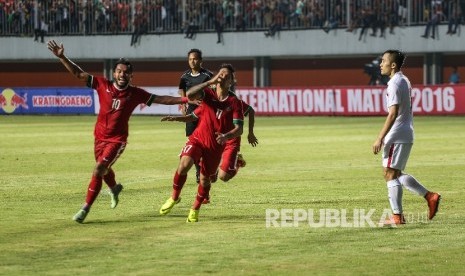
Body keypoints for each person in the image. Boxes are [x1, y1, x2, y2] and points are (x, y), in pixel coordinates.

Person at [47, 40, 196, 223]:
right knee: (103, 168)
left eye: (125, 72)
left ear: (131, 76)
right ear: (114, 73)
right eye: (119, 71)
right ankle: (115, 188)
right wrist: (62, 57)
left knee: (99, 168)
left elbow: (161, 99)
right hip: (99, 138)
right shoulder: (102, 85)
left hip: (117, 140)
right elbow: (78, 73)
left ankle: (85, 208)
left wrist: (184, 100)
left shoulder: (135, 93)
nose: (122, 74)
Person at [159, 64, 244, 222]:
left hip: (215, 146)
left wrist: (226, 136)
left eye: (227, 76)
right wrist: (208, 82)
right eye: (221, 74)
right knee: (184, 164)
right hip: (198, 138)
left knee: (205, 180)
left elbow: (239, 129)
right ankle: (174, 198)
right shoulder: (208, 93)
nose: (223, 76)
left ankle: (195, 208)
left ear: (231, 81)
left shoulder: (234, 102)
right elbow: (190, 96)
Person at [372, 49, 441, 226]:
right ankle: (430, 196)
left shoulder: (394, 84)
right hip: (405, 132)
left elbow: (393, 113)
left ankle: (397, 217)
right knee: (395, 173)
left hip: (396, 134)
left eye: (384, 61)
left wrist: (380, 137)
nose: (381, 64)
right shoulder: (404, 79)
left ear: (393, 65)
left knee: (389, 174)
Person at [161, 98, 259, 203]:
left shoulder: (233, 101)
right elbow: (194, 116)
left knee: (224, 177)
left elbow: (250, 111)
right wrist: (177, 117)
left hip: (230, 141)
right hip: (213, 139)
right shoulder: (209, 100)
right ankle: (205, 196)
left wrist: (251, 133)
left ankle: (237, 162)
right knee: (211, 177)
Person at [178, 49, 213, 184]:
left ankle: (208, 168)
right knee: (193, 144)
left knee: (206, 144)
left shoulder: (208, 75)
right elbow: (182, 90)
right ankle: (199, 171)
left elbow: (214, 92)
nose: (192, 61)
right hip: (191, 113)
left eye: (195, 59)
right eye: (190, 59)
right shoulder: (184, 76)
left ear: (200, 61)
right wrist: (184, 103)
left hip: (205, 113)